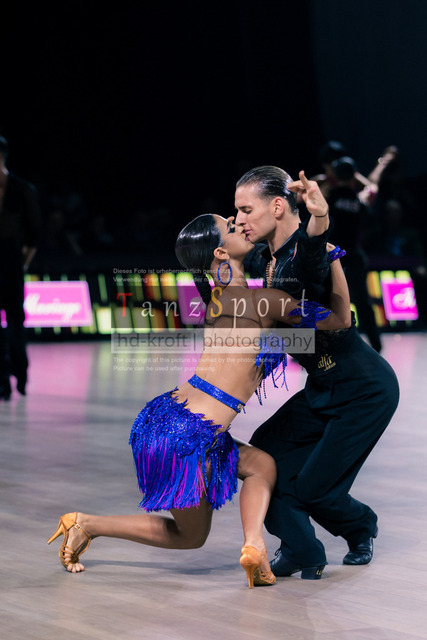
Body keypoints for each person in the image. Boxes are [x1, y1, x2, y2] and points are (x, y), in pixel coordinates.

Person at [47, 213, 351, 588]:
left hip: (163, 419)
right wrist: (332, 257)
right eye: (231, 226)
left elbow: (263, 338)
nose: (240, 223)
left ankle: (87, 524)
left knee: (257, 469)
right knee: (197, 529)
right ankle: (253, 544)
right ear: (221, 253)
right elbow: (341, 319)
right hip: (190, 433)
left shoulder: (218, 302)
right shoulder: (265, 301)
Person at [235, 165, 399, 579]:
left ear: (277, 206)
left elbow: (312, 255)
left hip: (364, 390)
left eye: (246, 210)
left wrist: (320, 216)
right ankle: (301, 549)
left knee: (315, 489)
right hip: (323, 386)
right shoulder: (264, 259)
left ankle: (361, 527)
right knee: (264, 455)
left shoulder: (307, 253)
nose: (239, 219)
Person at [327, 156, 382, 352]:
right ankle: (376, 346)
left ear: (335, 175)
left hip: (331, 257)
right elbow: (372, 190)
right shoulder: (359, 201)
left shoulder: (328, 197)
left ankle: (308, 348)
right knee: (363, 301)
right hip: (354, 257)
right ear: (353, 176)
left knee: (321, 300)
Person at [0, 135, 40, 400]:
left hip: (12, 264)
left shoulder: (22, 190)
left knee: (15, 321)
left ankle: (20, 372)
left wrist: (22, 265)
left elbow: (33, 236)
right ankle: (2, 380)